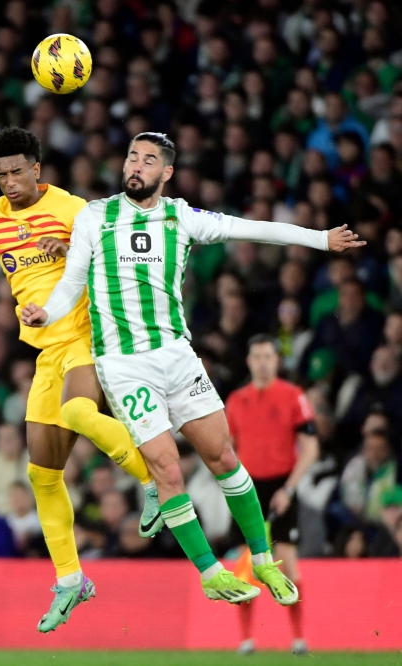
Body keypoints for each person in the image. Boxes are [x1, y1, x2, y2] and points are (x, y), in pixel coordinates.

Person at [23, 132, 363, 605]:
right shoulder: (95, 216)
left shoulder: (180, 216)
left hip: (178, 357)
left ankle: (263, 560)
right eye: (132, 157)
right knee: (167, 468)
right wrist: (47, 312)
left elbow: (250, 228)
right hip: (124, 366)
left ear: (166, 172)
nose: (135, 165)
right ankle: (210, 572)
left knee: (223, 457)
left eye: (148, 160)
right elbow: (72, 280)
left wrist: (320, 239)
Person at [0, 127, 160, 632]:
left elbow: (115, 263)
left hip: (87, 335)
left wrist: (69, 252)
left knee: (78, 411)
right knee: (42, 475)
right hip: (45, 352)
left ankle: (155, 481)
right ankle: (71, 580)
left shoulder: (73, 209)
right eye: (0, 174)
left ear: (36, 169)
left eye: (17, 171)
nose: (9, 181)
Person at [227, 335, 318, 655]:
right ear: (249, 361)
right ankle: (246, 640)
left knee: (288, 568)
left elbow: (311, 447)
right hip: (246, 490)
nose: (263, 363)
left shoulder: (293, 396)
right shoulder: (236, 401)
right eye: (257, 356)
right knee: (246, 568)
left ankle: (299, 638)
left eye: (268, 356)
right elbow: (226, 449)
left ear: (277, 360)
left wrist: (289, 489)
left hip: (282, 487)